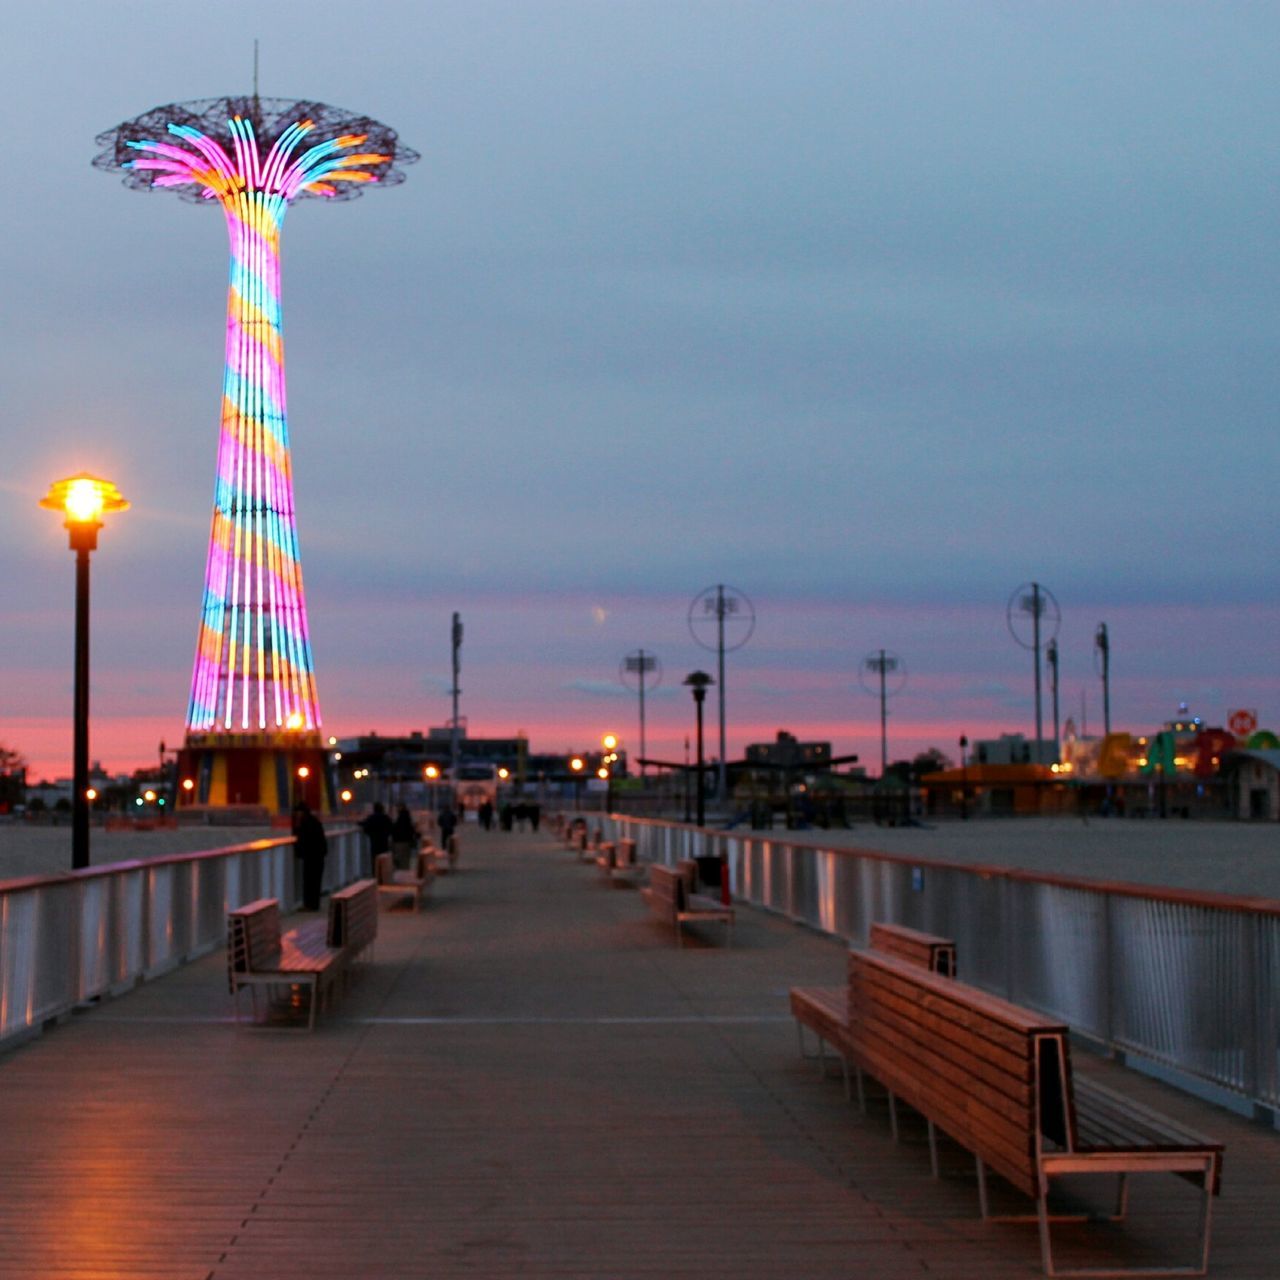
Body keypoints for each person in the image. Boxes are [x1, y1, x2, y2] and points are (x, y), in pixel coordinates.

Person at [293, 801, 328, 911]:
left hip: (311, 857)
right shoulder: (315, 822)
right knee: (316, 881)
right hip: (318, 856)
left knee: (309, 881)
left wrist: (298, 853)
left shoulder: (305, 823)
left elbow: (302, 839)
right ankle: (314, 904)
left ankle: (309, 905)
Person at [360, 801, 394, 872]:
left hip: (374, 841)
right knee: (384, 858)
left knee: (375, 858)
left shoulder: (371, 818)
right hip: (384, 841)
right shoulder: (386, 818)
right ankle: (383, 873)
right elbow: (391, 828)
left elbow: (365, 826)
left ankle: (375, 873)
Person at [391, 803, 418, 870]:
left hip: (400, 841)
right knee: (405, 860)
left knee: (401, 859)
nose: (396, 809)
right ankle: (405, 872)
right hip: (406, 841)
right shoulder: (407, 817)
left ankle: (402, 874)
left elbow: (398, 829)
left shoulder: (401, 818)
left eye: (398, 807)